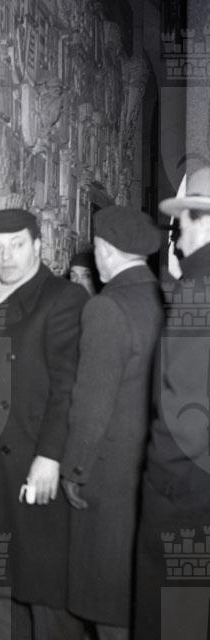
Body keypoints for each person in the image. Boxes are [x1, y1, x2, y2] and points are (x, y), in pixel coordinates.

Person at [0, 208, 88, 640]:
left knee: (44, 583)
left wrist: (50, 456)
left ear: (38, 246)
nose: (6, 257)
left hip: (31, 458)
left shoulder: (63, 298)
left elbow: (67, 388)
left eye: (17, 246)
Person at [60, 205, 163, 639]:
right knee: (142, 591)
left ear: (104, 250)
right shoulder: (165, 299)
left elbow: (92, 403)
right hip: (155, 465)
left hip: (110, 472)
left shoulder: (106, 307)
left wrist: (75, 468)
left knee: (107, 596)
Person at [134, 166, 210, 639]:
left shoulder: (197, 292)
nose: (176, 241)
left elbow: (186, 417)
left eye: (180, 224)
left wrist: (158, 484)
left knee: (173, 619)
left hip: (187, 494)